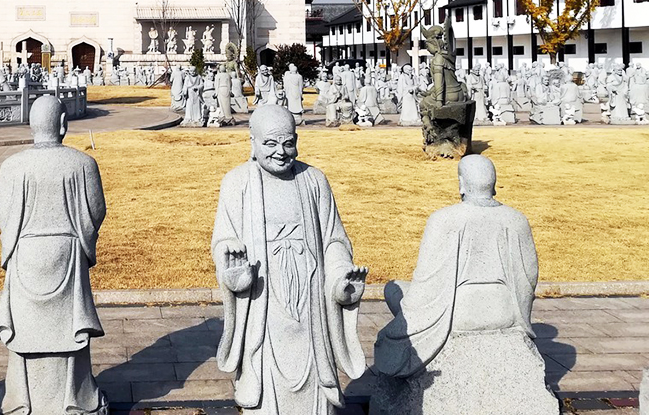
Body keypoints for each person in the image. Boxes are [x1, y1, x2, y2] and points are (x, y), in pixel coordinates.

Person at [213, 105, 367, 414]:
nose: (281, 152)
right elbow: (223, 240)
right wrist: (233, 269)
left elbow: (334, 240)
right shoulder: (237, 182)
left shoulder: (314, 181)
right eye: (270, 143)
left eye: (288, 142)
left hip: (310, 302)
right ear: (252, 143)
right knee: (266, 372)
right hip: (264, 300)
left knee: (314, 372)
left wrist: (340, 278)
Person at [0, 95, 107, 415]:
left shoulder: (12, 166)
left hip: (25, 252)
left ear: (32, 127)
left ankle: (21, 400)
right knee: (68, 330)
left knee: (26, 333)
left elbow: (2, 213)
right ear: (62, 125)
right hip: (68, 252)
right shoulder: (83, 164)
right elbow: (97, 210)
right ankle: (76, 398)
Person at [374, 154, 539, 377]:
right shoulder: (517, 219)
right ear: (493, 184)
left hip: (458, 313)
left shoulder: (444, 219)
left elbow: (426, 281)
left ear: (461, 183)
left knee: (393, 289)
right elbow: (528, 276)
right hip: (505, 311)